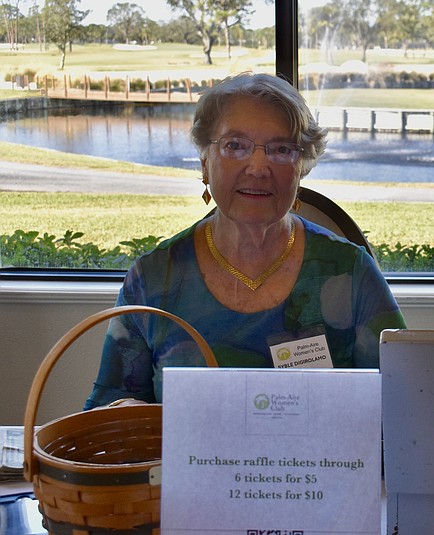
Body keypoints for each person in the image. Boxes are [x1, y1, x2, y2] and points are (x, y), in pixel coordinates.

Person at [85, 71, 405, 409]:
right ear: (205, 162)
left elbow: (404, 403)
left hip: (323, 463)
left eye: (281, 149)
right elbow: (107, 421)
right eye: (235, 145)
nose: (257, 166)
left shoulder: (350, 272)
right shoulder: (153, 280)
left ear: (302, 168)